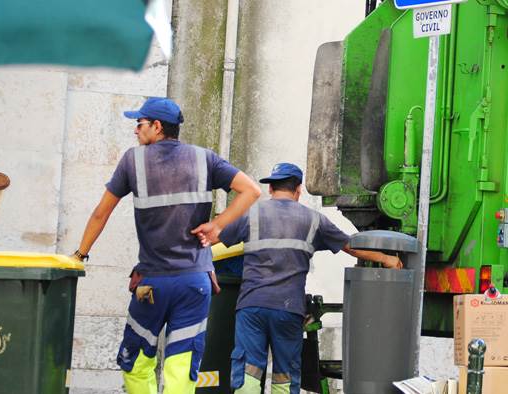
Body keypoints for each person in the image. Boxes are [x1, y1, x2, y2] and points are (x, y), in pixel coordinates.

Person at [72, 97, 261, 393]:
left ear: (157, 127)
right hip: (195, 283)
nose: (136, 130)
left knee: (136, 362)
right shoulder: (205, 159)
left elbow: (101, 212)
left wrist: (80, 254)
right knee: (181, 366)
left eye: (140, 124)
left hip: (153, 284)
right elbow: (251, 190)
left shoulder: (132, 161)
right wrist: (217, 225)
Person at [207, 163, 402, 394]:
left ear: (271, 189)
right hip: (288, 308)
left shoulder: (253, 214)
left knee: (248, 372)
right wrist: (385, 258)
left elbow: (214, 239)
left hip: (252, 306)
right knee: (285, 376)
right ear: (298, 189)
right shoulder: (314, 220)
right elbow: (351, 246)